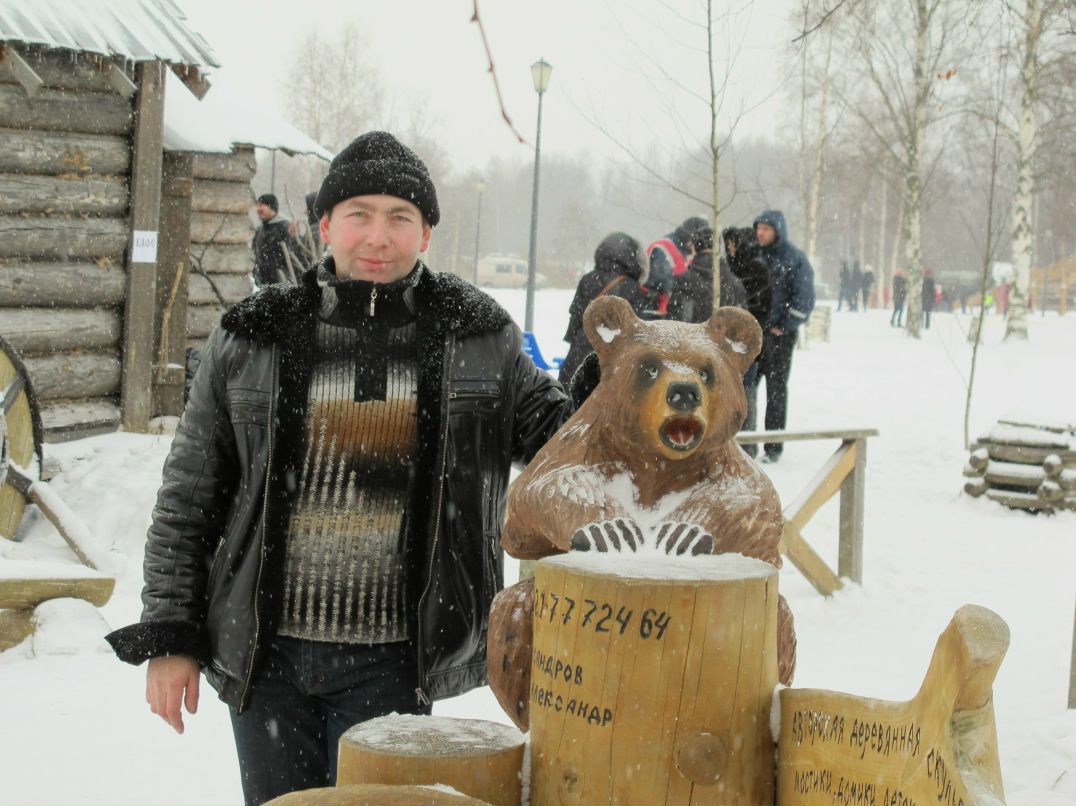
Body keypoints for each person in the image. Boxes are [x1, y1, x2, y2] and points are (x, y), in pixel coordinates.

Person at [105, 131, 574, 806]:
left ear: (427, 234)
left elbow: (564, 439)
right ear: (325, 225)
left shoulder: (476, 335)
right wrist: (172, 634)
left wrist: (619, 377)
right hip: (267, 659)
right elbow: (190, 498)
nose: (377, 236)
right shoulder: (253, 334)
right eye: (359, 214)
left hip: (394, 662)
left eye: (399, 218)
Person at [745, 210, 815, 463]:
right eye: (758, 228)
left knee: (776, 390)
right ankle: (746, 443)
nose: (760, 233)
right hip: (752, 335)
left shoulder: (794, 259)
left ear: (777, 230)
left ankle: (773, 447)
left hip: (779, 338)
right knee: (747, 387)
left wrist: (784, 326)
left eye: (766, 228)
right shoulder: (751, 256)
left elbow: (804, 300)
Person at [558, 232, 653, 384]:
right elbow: (640, 333)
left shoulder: (588, 280)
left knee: (575, 401)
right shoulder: (632, 288)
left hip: (578, 359)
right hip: (614, 364)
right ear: (633, 258)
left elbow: (575, 320)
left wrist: (579, 345)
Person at [721, 226, 771, 458]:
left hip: (747, 344)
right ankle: (736, 444)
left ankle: (747, 446)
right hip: (731, 344)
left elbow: (763, 309)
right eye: (727, 243)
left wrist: (751, 333)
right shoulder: (729, 269)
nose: (729, 248)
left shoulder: (756, 270)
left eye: (732, 243)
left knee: (747, 394)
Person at [667, 226, 746, 324]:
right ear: (718, 247)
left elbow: (676, 319)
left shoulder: (684, 279)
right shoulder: (735, 282)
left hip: (694, 337)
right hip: (725, 338)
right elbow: (743, 322)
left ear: (694, 247)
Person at [645, 216, 709, 316]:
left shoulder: (687, 252)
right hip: (656, 310)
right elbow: (661, 282)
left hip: (676, 311)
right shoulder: (663, 247)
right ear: (691, 237)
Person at [251, 193, 303, 286]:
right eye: (257, 205)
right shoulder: (259, 230)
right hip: (262, 283)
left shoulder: (285, 227)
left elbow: (295, 254)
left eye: (262, 205)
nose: (258, 209)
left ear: (272, 207)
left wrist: (295, 238)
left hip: (282, 284)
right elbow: (254, 254)